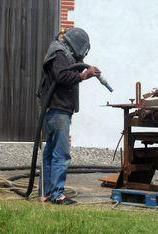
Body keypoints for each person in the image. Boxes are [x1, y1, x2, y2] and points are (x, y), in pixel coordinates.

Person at [40, 27, 101, 205]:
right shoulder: (59, 52)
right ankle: (57, 194)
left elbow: (69, 69)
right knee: (61, 153)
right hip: (58, 111)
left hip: (55, 110)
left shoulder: (61, 52)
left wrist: (86, 69)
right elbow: (61, 76)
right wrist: (83, 76)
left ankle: (46, 193)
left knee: (51, 153)